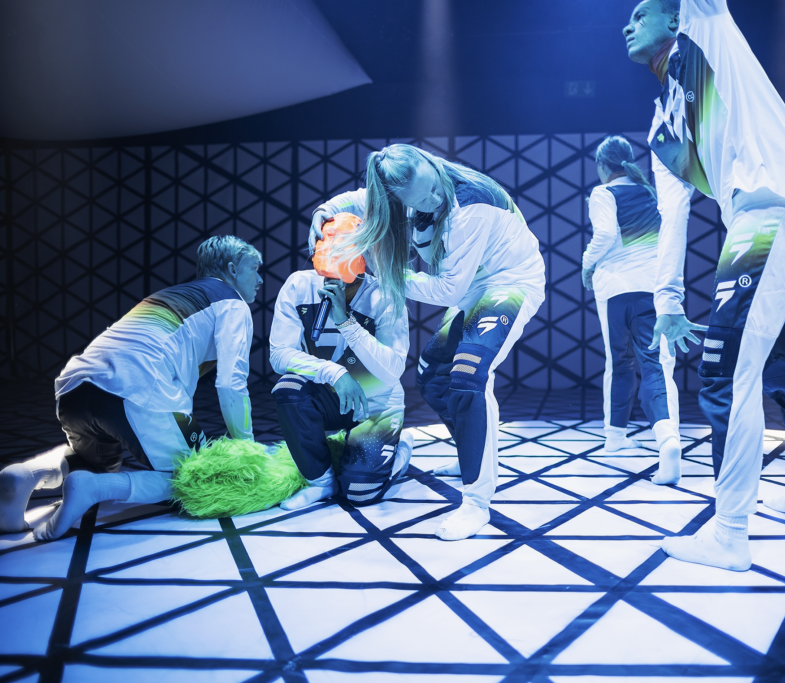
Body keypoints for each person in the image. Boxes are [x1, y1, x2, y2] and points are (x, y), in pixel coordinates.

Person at [623, 0, 785, 570]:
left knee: (723, 373)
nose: (626, 24)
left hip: (770, 207)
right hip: (774, 219)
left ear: (675, 19)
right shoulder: (661, 128)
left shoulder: (707, 31)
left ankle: (730, 534)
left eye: (640, 14)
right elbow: (673, 214)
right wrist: (667, 301)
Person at [308, 144, 546, 540]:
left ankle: (477, 502)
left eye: (434, 187)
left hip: (508, 284)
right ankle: (471, 452)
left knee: (468, 378)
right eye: (420, 200)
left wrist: (379, 273)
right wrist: (324, 212)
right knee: (433, 377)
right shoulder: (403, 192)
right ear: (400, 198)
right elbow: (363, 198)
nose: (434, 199)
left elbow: (448, 290)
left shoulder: (470, 206)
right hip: (474, 289)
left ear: (431, 163)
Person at [0, 236, 261, 540]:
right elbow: (230, 384)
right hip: (137, 387)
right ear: (232, 269)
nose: (260, 280)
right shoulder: (232, 303)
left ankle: (24, 475)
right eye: (254, 269)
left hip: (74, 386)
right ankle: (93, 489)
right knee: (196, 475)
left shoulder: (172, 295)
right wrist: (248, 449)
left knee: (96, 464)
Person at [270, 215, 414, 509]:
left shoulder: (385, 296)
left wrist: (346, 322)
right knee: (288, 388)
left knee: (360, 492)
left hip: (375, 402)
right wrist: (334, 373)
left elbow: (393, 371)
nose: (331, 283)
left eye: (340, 277)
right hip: (330, 395)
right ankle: (321, 482)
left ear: (360, 266)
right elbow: (279, 354)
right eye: (326, 273)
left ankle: (401, 449)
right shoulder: (298, 285)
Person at [581, 135, 682, 482]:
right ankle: (667, 438)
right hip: (653, 288)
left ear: (602, 165)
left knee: (619, 362)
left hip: (615, 290)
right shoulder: (652, 194)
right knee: (656, 365)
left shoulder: (603, 193)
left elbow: (605, 234)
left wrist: (586, 264)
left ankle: (615, 437)